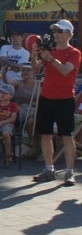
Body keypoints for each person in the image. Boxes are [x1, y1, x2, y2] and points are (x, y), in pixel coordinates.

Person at [32, 19, 81, 186]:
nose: (56, 34)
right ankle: (49, 169)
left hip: (64, 98)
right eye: (55, 31)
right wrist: (34, 54)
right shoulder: (49, 51)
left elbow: (66, 71)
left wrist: (51, 59)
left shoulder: (74, 52)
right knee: (44, 134)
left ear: (69, 34)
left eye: (60, 31)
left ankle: (69, 172)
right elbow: (36, 69)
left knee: (66, 135)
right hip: (46, 96)